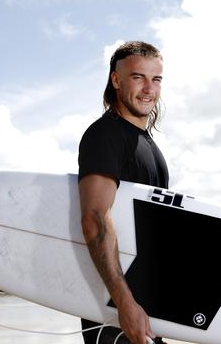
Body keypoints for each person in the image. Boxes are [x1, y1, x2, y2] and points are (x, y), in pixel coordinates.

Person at [77, 41, 169, 344]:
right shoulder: (105, 135)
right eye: (137, 77)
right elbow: (95, 218)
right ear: (116, 80)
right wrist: (124, 304)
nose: (148, 88)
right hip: (116, 311)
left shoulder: (146, 142)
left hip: (146, 308)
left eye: (155, 79)